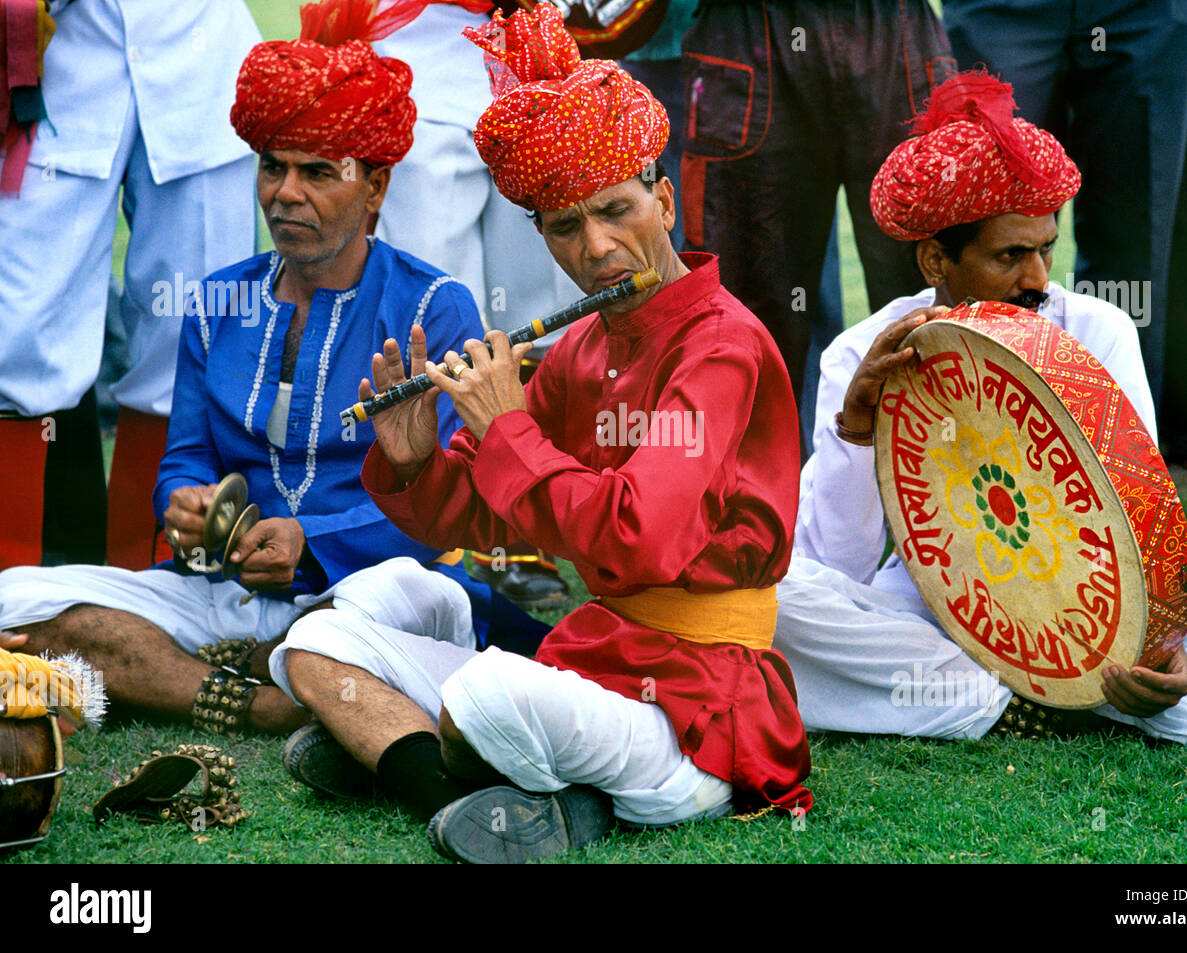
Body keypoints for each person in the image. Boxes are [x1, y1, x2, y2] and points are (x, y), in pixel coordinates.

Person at [273, 4, 812, 864]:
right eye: (565, 226)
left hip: (696, 704)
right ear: (545, 237)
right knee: (322, 636)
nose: (598, 247)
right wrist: (413, 460)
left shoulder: (722, 346)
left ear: (663, 199)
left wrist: (510, 426)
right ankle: (485, 786)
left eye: (616, 210)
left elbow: (639, 539)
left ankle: (409, 757)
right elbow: (479, 521)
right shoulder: (584, 348)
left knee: (487, 693)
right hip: (591, 664)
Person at [0, 0, 545, 737]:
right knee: (14, 600)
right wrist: (183, 503)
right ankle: (269, 695)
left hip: (369, 590)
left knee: (379, 620)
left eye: (319, 173)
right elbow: (186, 456)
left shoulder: (434, 309)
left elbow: (448, 506)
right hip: (226, 592)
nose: (286, 194)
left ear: (376, 187)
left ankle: (219, 673)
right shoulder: (218, 302)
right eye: (272, 168)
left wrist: (312, 544)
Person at [773, 72, 1187, 745]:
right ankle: (1031, 702)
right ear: (938, 258)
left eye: (1047, 248)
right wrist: (855, 427)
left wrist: (1164, 643)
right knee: (781, 598)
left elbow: (1145, 522)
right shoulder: (861, 353)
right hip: (931, 619)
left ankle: (1020, 698)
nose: (1039, 279)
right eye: (1010, 256)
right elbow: (835, 566)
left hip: (1091, 627)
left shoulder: (1099, 330)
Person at [0, 0, 263, 572]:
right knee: (15, 335)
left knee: (195, 328)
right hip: (48, 57)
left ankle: (150, 588)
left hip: (200, 53)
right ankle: (10, 596)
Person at [941, 0, 1187, 487]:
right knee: (987, 202)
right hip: (1000, 8)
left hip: (1142, 11)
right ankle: (974, 435)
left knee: (1139, 233)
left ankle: (1133, 456)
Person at [373, 1, 578, 611]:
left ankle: (521, 528)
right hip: (423, 62)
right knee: (432, 308)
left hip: (539, 58)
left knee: (537, 304)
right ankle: (441, 527)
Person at [677, 0, 958, 442]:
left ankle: (949, 498)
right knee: (746, 323)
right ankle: (753, 506)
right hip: (750, 29)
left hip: (891, 28)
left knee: (934, 307)